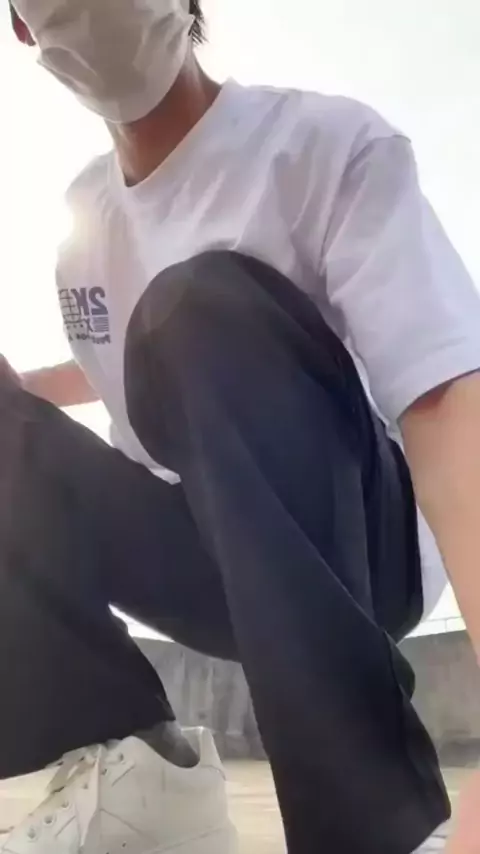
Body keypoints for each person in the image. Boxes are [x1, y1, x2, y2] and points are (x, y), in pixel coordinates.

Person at [2, 0, 480, 851]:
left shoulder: (320, 147)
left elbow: (443, 396)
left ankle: (376, 827)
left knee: (196, 310)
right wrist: (24, 390)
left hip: (365, 555)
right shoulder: (84, 223)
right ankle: (145, 781)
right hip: (210, 555)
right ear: (23, 28)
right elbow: (116, 363)